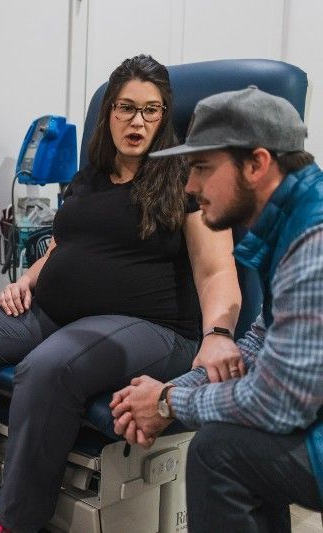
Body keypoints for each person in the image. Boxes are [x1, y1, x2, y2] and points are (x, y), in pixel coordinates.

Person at [0, 55, 241, 533]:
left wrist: (217, 332)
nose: (137, 121)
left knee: (49, 365)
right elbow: (69, 244)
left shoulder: (187, 178)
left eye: (151, 110)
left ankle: (16, 520)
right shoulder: (91, 176)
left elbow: (215, 269)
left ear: (165, 116)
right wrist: (29, 279)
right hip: (58, 313)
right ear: (108, 113)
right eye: (126, 108)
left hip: (153, 328)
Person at [110, 86, 323, 532]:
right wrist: (170, 388)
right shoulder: (293, 224)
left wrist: (166, 402)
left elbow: (276, 404)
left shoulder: (312, 247)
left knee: (220, 451)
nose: (190, 186)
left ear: (257, 164)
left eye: (202, 168)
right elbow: (262, 342)